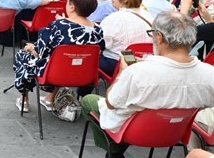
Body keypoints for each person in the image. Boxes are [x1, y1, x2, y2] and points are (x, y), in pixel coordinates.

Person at [81, 12, 214, 158]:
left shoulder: (138, 73)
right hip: (175, 133)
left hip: (133, 131)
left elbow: (111, 103)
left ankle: (114, 152)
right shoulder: (209, 73)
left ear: (159, 37)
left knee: (88, 100)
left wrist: (122, 73)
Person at [12, 0, 104, 112]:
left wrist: (31, 47)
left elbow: (41, 52)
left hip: (55, 72)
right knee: (64, 59)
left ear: (72, 7)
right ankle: (49, 99)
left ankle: (24, 100)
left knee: (23, 55)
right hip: (83, 74)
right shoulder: (98, 30)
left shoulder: (58, 26)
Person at [98, 0, 153, 76]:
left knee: (90, 58)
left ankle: (83, 90)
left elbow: (105, 43)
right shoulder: (148, 15)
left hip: (118, 63)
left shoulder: (114, 18)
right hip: (144, 62)